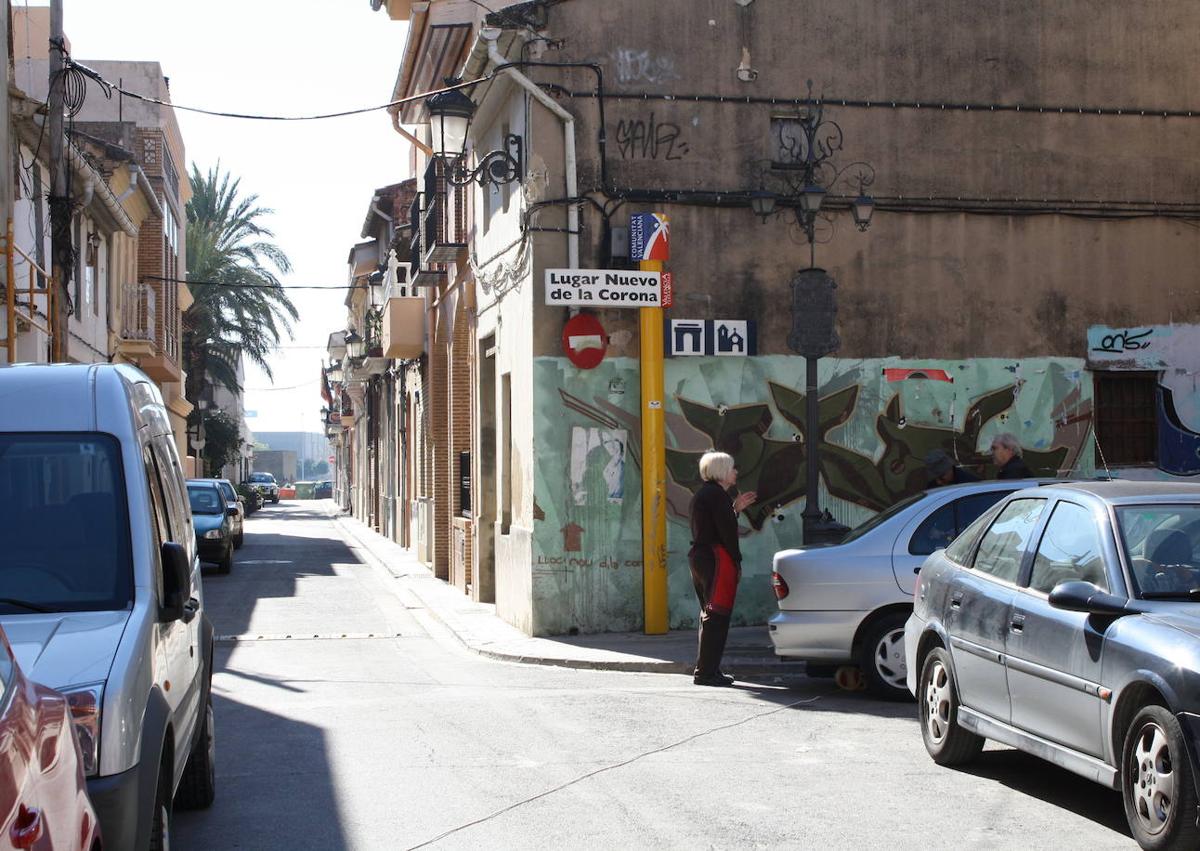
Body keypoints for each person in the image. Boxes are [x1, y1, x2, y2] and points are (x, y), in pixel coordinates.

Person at [688, 451, 756, 687]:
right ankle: (706, 673)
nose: (735, 472)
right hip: (715, 558)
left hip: (701, 557)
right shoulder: (717, 496)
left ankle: (707, 670)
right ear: (721, 471)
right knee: (717, 617)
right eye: (732, 468)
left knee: (710, 615)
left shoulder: (707, 495)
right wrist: (737, 562)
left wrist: (734, 509)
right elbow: (727, 534)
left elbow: (717, 524)